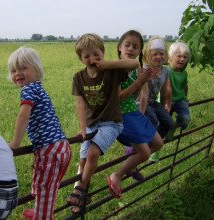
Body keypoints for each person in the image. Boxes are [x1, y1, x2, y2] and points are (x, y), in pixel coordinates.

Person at [66, 33, 139, 213]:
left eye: (96, 54)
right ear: (81, 59)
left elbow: (135, 64)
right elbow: (80, 103)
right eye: (87, 56)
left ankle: (80, 188)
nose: (92, 59)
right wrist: (83, 129)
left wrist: (107, 64)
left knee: (92, 153)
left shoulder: (112, 71)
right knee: (83, 160)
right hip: (92, 124)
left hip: (111, 122)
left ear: (103, 52)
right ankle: (82, 198)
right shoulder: (78, 77)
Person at [7, 46, 71, 220]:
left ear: (37, 71)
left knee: (44, 188)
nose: (18, 73)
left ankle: (43, 216)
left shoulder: (28, 89)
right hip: (61, 146)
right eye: (13, 70)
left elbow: (23, 115)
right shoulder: (39, 88)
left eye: (23, 68)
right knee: (47, 185)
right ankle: (40, 210)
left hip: (48, 148)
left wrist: (14, 143)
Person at [107, 30, 164, 196]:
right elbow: (117, 98)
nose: (131, 49)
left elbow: (134, 96)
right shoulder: (115, 70)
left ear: (140, 51)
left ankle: (132, 165)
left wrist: (142, 81)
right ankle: (116, 175)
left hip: (134, 112)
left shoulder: (136, 69)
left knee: (158, 143)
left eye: (135, 46)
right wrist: (139, 81)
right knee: (145, 152)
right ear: (119, 48)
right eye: (127, 45)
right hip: (122, 115)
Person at [137, 36, 175, 162]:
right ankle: (140, 146)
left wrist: (163, 108)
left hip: (153, 102)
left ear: (166, 55)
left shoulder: (165, 71)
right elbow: (144, 94)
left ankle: (149, 145)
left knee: (169, 122)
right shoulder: (145, 69)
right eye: (155, 54)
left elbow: (164, 91)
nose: (158, 57)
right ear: (148, 55)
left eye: (162, 54)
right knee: (152, 120)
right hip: (141, 102)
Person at [165, 40, 191, 140]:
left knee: (186, 118)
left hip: (180, 99)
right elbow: (167, 89)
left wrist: (185, 99)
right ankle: (155, 151)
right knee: (162, 122)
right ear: (170, 57)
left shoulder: (184, 73)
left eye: (185, 57)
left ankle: (173, 128)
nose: (182, 59)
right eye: (179, 56)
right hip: (167, 100)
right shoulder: (166, 70)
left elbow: (185, 87)